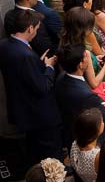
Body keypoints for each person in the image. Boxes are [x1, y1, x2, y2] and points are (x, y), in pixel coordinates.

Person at [0, 8, 60, 159]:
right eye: (37, 28)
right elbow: (42, 87)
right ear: (30, 28)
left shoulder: (5, 45)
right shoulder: (25, 55)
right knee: (49, 155)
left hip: (23, 111)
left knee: (35, 150)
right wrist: (48, 66)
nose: (37, 32)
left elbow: (21, 73)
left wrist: (38, 65)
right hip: (38, 114)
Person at [69, 108, 105, 182]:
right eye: (102, 121)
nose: (103, 123)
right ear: (95, 130)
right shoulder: (97, 155)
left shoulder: (74, 144)